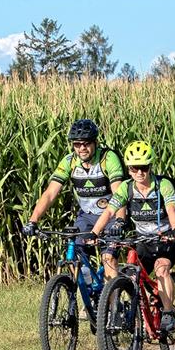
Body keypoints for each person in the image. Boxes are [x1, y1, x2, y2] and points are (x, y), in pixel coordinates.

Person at [89, 141, 175, 331]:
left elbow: (172, 209)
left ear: (150, 167)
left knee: (161, 268)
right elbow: (108, 212)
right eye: (134, 168)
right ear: (129, 169)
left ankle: (167, 313)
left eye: (144, 168)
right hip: (143, 240)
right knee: (130, 276)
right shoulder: (126, 187)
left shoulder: (163, 185)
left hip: (166, 239)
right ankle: (130, 316)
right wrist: (94, 233)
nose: (139, 173)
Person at [22, 119, 125, 278]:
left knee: (108, 258)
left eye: (86, 143)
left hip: (111, 216)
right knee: (74, 255)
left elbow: (119, 194)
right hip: (86, 216)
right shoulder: (69, 161)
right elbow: (50, 193)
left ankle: (112, 303)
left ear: (95, 142)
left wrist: (119, 221)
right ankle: (89, 293)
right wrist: (33, 220)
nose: (82, 148)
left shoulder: (108, 158)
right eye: (77, 144)